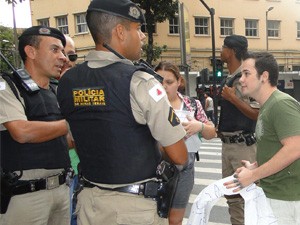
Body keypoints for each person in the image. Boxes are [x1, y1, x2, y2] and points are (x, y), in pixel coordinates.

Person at [56, 0, 188, 225]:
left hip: (89, 204)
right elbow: (180, 156)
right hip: (133, 209)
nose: (143, 36)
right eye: (138, 29)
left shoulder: (67, 81)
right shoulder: (141, 81)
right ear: (120, 32)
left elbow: (79, 138)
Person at [0, 26, 71, 225]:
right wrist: (72, 122)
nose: (63, 57)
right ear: (31, 52)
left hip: (61, 188)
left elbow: (66, 140)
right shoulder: (7, 87)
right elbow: (21, 132)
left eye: (63, 51)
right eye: (55, 50)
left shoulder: (57, 92)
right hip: (25, 194)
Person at [224, 51, 300, 225]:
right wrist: (255, 167)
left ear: (264, 76)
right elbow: (279, 148)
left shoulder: (280, 104)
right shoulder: (266, 107)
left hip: (287, 199)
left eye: (246, 73)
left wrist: (253, 175)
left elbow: (295, 148)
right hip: (275, 195)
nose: (241, 79)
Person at [155, 61, 216, 225]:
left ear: (179, 82)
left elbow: (212, 132)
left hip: (185, 169)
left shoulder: (192, 104)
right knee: (156, 218)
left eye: (169, 82)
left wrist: (199, 126)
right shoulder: (149, 106)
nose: (164, 86)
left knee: (175, 220)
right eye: (159, 81)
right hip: (156, 169)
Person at [217, 34, 259, 225]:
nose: (220, 50)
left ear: (232, 51)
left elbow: (257, 114)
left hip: (243, 146)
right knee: (232, 197)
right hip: (228, 146)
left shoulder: (246, 77)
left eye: (223, 47)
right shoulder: (230, 78)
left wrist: (233, 98)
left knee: (250, 197)